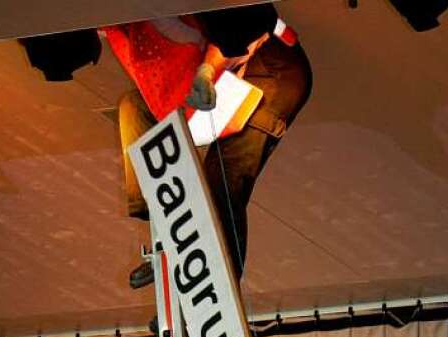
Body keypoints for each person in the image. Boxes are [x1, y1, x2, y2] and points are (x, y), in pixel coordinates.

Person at [104, 3, 312, 288]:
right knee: (134, 107)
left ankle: (218, 288)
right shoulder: (119, 19)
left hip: (267, 69)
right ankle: (166, 233)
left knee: (223, 179)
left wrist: (206, 71)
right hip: (210, 74)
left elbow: (242, 29)